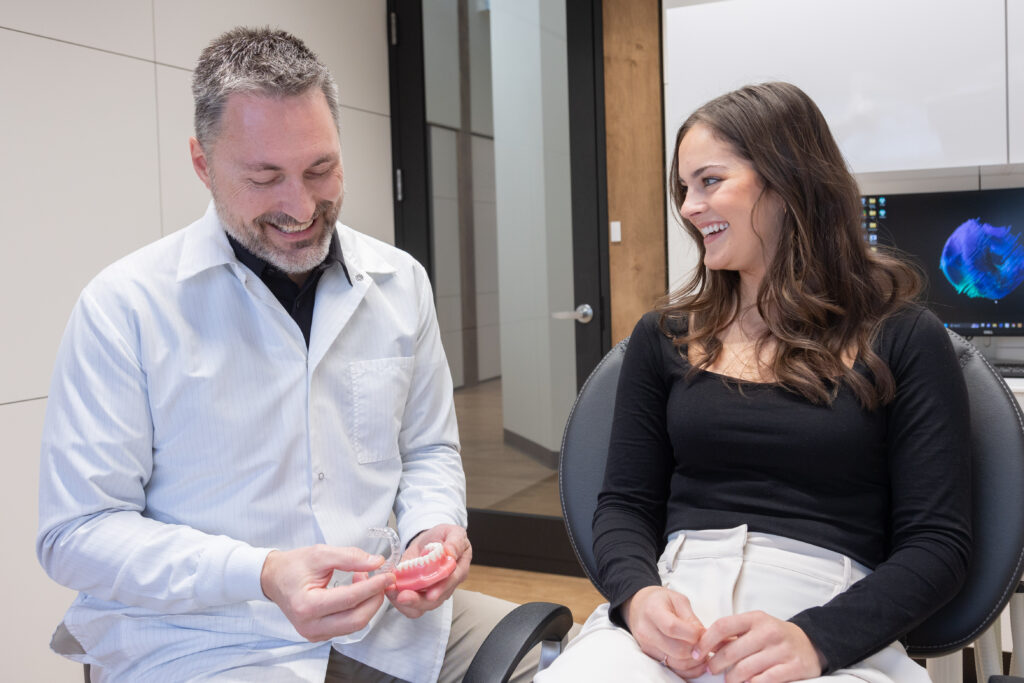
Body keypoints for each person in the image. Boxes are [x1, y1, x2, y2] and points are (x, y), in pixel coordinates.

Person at [36, 27, 536, 683]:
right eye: (265, 177)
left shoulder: (399, 281)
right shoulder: (125, 306)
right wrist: (265, 572)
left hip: (383, 618)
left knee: (569, 661)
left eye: (320, 169)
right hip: (200, 640)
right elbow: (76, 534)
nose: (300, 207)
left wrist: (429, 530)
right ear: (202, 162)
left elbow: (428, 449)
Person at [535, 82, 971, 682]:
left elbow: (938, 546)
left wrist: (814, 640)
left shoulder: (903, 337)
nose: (688, 207)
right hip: (674, 612)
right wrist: (637, 598)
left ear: (790, 182)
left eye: (709, 181)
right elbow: (623, 507)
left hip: (829, 622)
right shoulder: (664, 336)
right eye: (684, 189)